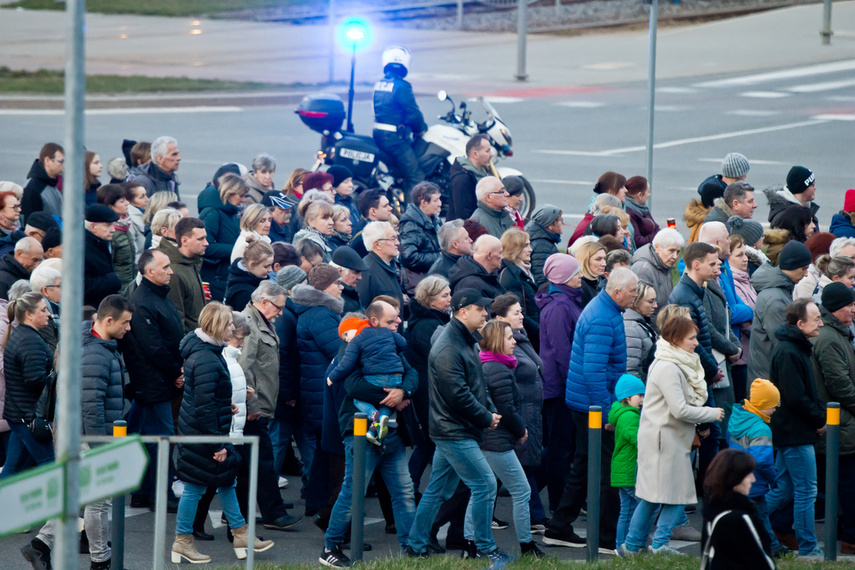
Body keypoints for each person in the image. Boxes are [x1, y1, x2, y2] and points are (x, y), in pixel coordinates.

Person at [406, 289, 507, 565]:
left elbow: (477, 384)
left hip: (453, 428)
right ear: (463, 312)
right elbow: (457, 394)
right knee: (485, 484)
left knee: (439, 489)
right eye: (480, 309)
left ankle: (415, 545)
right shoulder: (450, 345)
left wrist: (489, 410)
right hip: (453, 430)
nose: (486, 313)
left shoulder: (464, 339)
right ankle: (486, 548)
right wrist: (486, 417)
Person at [545, 268, 638, 552]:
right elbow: (593, 371)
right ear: (618, 291)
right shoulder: (601, 317)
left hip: (587, 402)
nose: (636, 295)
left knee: (585, 464)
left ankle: (559, 526)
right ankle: (605, 538)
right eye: (633, 291)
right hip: (593, 406)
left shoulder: (606, 309)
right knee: (606, 468)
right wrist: (609, 413)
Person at [172, 303, 273, 564]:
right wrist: (218, 444)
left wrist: (223, 404)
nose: (232, 327)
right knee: (195, 488)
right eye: (229, 323)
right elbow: (203, 405)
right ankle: (182, 542)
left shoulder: (206, 351)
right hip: (205, 433)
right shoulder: (207, 357)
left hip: (202, 429)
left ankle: (241, 534)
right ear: (218, 326)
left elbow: (201, 397)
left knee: (228, 482)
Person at [320, 304, 418, 568]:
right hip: (360, 431)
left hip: (391, 432)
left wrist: (404, 393)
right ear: (374, 322)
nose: (397, 322)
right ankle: (331, 547)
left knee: (404, 491)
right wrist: (393, 397)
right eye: (390, 321)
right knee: (353, 492)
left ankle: (411, 548)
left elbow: (411, 373)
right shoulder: (352, 345)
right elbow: (352, 386)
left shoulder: (389, 342)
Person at [618, 317, 724, 556]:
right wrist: (711, 413)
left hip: (664, 439)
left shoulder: (668, 361)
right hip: (664, 440)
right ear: (675, 340)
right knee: (677, 496)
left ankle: (633, 546)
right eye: (691, 338)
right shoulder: (668, 366)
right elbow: (679, 409)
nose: (696, 343)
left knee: (653, 497)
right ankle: (658, 546)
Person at [469, 319, 543, 558]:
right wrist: (521, 431)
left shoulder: (490, 365)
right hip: (496, 440)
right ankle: (526, 545)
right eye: (510, 338)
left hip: (488, 438)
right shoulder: (498, 369)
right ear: (497, 340)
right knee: (521, 490)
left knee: (481, 490)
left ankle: (470, 544)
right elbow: (507, 409)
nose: (514, 342)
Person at [235, 280, 303, 531]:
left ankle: (237, 514)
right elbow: (242, 369)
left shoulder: (259, 320)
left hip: (258, 405)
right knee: (260, 460)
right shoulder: (248, 324)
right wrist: (252, 405)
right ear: (263, 302)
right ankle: (273, 514)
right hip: (253, 408)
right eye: (278, 306)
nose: (281, 312)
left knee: (250, 463)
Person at [123, 249, 185, 511]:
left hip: (157, 380)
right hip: (153, 381)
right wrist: (176, 372)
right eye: (166, 267)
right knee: (161, 438)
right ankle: (160, 494)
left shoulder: (157, 296)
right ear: (150, 272)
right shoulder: (143, 301)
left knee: (147, 436)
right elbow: (153, 347)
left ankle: (143, 491)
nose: (171, 271)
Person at [766, 298, 826, 557]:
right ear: (800, 324)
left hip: (792, 431)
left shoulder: (794, 347)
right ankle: (808, 548)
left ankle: (741, 518)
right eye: (816, 320)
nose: (821, 324)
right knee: (806, 491)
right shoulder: (790, 351)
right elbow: (795, 396)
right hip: (794, 433)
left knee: (784, 489)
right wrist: (819, 418)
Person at [81, 295, 132, 570]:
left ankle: (41, 544)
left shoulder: (103, 348)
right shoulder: (97, 353)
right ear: (108, 320)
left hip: (101, 435)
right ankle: (100, 560)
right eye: (125, 322)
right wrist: (100, 445)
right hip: (95, 438)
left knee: (94, 500)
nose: (129, 328)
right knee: (98, 502)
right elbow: (91, 404)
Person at [491, 293, 548, 539]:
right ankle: (534, 522)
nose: (522, 316)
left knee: (524, 467)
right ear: (499, 318)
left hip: (531, 412)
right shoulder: (501, 344)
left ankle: (536, 517)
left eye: (521, 311)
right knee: (518, 469)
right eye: (516, 312)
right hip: (518, 414)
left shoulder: (520, 339)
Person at [291, 265, 344, 517]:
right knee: (331, 452)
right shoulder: (322, 314)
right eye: (337, 283)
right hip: (323, 393)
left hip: (316, 390)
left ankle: (317, 500)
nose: (342, 287)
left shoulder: (315, 311)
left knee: (323, 451)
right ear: (324, 287)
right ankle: (326, 505)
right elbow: (338, 351)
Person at [535, 253, 583, 512]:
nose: (581, 277)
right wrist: (573, 383)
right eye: (575, 274)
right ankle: (557, 503)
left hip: (563, 384)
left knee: (561, 445)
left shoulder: (567, 301)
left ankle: (536, 491)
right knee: (559, 447)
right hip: (560, 387)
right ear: (563, 277)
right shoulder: (559, 307)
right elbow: (562, 351)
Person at [809, 283, 855, 553]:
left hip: (844, 421)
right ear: (837, 308)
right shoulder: (828, 339)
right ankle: (849, 538)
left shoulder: (839, 333)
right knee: (848, 485)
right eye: (850, 304)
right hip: (840, 425)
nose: (853, 309)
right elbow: (840, 385)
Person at [327, 300, 408, 444]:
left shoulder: (357, 342)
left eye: (346, 335)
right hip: (396, 379)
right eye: (390, 321)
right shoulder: (387, 336)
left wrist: (332, 377)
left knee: (359, 399)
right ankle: (374, 430)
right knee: (386, 405)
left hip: (377, 382)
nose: (397, 322)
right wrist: (398, 394)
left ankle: (374, 416)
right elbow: (404, 345)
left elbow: (346, 368)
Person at [0, 292, 54, 478]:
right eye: (43, 310)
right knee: (49, 466)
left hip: (19, 415)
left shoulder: (21, 335)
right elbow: (35, 381)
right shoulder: (29, 341)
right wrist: (57, 378)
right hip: (28, 417)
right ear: (29, 314)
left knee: (12, 469)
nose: (48, 314)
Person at [405, 275, 451, 490]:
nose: (450, 299)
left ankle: (413, 485)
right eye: (445, 295)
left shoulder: (433, 320)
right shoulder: (428, 325)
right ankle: (410, 484)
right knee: (427, 442)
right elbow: (440, 358)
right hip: (427, 391)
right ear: (431, 300)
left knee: (429, 443)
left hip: (429, 388)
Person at [727, 378, 782, 556]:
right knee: (761, 517)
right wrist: (773, 478)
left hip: (736, 480)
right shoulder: (761, 429)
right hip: (755, 483)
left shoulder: (737, 419)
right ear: (763, 404)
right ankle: (771, 547)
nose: (774, 410)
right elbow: (763, 461)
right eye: (773, 405)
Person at [700, 449, 776, 570]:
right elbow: (763, 564)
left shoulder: (712, 512)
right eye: (748, 474)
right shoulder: (741, 518)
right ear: (734, 477)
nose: (753, 479)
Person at [748, 240, 811, 382]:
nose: (806, 274)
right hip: (770, 383)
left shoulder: (781, 290)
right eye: (803, 268)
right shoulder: (775, 300)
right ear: (791, 266)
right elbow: (783, 345)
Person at [373, 45, 426, 194]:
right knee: (416, 178)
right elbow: (413, 113)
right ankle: (412, 216)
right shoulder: (402, 86)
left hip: (378, 134)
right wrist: (420, 129)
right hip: (394, 140)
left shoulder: (379, 84)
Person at [609, 374, 645, 549]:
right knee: (645, 506)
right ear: (627, 398)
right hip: (629, 471)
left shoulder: (621, 413)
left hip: (622, 471)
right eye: (640, 396)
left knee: (626, 511)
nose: (643, 400)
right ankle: (634, 544)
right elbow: (638, 439)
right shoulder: (630, 416)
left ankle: (621, 546)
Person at [199, 172, 247, 302]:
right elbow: (205, 247)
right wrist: (236, 249)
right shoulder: (213, 213)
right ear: (229, 193)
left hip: (224, 276)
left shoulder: (231, 213)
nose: (243, 200)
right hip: (215, 278)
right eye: (241, 195)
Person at [159, 217, 208, 332]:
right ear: (184, 240)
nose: (206, 243)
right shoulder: (174, 272)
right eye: (200, 239)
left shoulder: (191, 262)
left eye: (205, 238)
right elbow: (177, 317)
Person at [498, 228, 539, 349]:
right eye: (526, 245)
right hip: (526, 336)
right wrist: (540, 331)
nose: (530, 249)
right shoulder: (510, 276)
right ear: (515, 248)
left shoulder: (523, 270)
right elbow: (517, 312)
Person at [729, 235, 758, 403]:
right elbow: (741, 318)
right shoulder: (734, 282)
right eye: (739, 255)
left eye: (745, 254)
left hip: (750, 351)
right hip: (741, 356)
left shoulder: (746, 279)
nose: (745, 259)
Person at [630, 228, 684, 318]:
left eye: (678, 252)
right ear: (657, 248)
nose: (675, 256)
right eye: (671, 251)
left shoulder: (664, 265)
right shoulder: (643, 270)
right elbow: (639, 308)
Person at [399, 181, 442, 291]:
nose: (440, 203)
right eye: (436, 200)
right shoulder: (410, 224)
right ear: (423, 203)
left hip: (432, 280)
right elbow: (409, 257)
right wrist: (440, 257)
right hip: (421, 286)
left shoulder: (434, 219)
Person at [356, 221, 405, 309]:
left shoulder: (389, 265)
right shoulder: (366, 271)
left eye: (397, 238)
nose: (397, 243)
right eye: (392, 238)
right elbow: (365, 308)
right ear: (377, 244)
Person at [96, 183, 136, 287]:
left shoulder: (125, 225)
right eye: (122, 201)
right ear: (110, 206)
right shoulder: (108, 233)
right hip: (119, 289)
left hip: (130, 285)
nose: (127, 203)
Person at [84, 204, 122, 307]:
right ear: (93, 227)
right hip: (92, 310)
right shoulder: (83, 248)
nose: (113, 229)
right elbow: (84, 285)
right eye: (107, 225)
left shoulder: (99, 242)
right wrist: (112, 280)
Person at [448, 134, 492, 221]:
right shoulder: (462, 179)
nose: (491, 155)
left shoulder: (482, 173)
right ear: (475, 154)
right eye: (487, 151)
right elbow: (463, 216)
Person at [224, 238, 274, 312]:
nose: (270, 270)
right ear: (252, 265)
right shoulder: (243, 293)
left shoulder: (254, 282)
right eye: (266, 266)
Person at [449, 234, 506, 299]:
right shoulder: (472, 285)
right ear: (489, 255)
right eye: (500, 253)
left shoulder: (487, 276)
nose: (503, 257)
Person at [765, 166, 819, 230]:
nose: (815, 188)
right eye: (812, 185)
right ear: (802, 187)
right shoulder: (785, 217)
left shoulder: (808, 210)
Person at [21, 143, 64, 223]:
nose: (64, 165)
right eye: (61, 161)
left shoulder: (52, 183)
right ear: (47, 161)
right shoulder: (32, 188)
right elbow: (27, 223)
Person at [624, 281, 658, 381]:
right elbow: (630, 369)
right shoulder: (630, 328)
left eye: (655, 301)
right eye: (650, 301)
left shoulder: (642, 323)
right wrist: (638, 394)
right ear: (636, 301)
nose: (655, 305)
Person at [348, 188, 394, 257]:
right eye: (385, 206)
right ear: (373, 211)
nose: (390, 208)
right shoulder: (364, 237)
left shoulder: (375, 230)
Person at [526, 205, 562, 288]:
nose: (562, 223)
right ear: (550, 225)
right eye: (560, 220)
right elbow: (541, 279)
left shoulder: (544, 239)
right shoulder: (542, 245)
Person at [29, 264, 61, 351]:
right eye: (59, 286)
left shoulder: (57, 309)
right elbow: (53, 348)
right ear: (45, 290)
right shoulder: (42, 316)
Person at [624, 176, 659, 249]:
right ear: (640, 195)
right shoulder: (629, 212)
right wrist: (659, 234)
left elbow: (656, 227)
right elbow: (638, 241)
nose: (650, 195)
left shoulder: (642, 208)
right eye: (648, 192)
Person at [331, 246, 368, 313]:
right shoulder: (336, 299)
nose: (360, 277)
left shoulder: (350, 293)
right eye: (356, 272)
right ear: (340, 271)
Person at [574, 240, 606, 307]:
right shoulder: (580, 286)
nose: (604, 264)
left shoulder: (600, 281)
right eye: (598, 259)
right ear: (585, 260)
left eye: (604, 259)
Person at [125, 182, 148, 261]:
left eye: (146, 195)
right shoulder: (129, 221)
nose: (147, 199)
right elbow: (134, 253)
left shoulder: (143, 215)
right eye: (142, 197)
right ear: (130, 202)